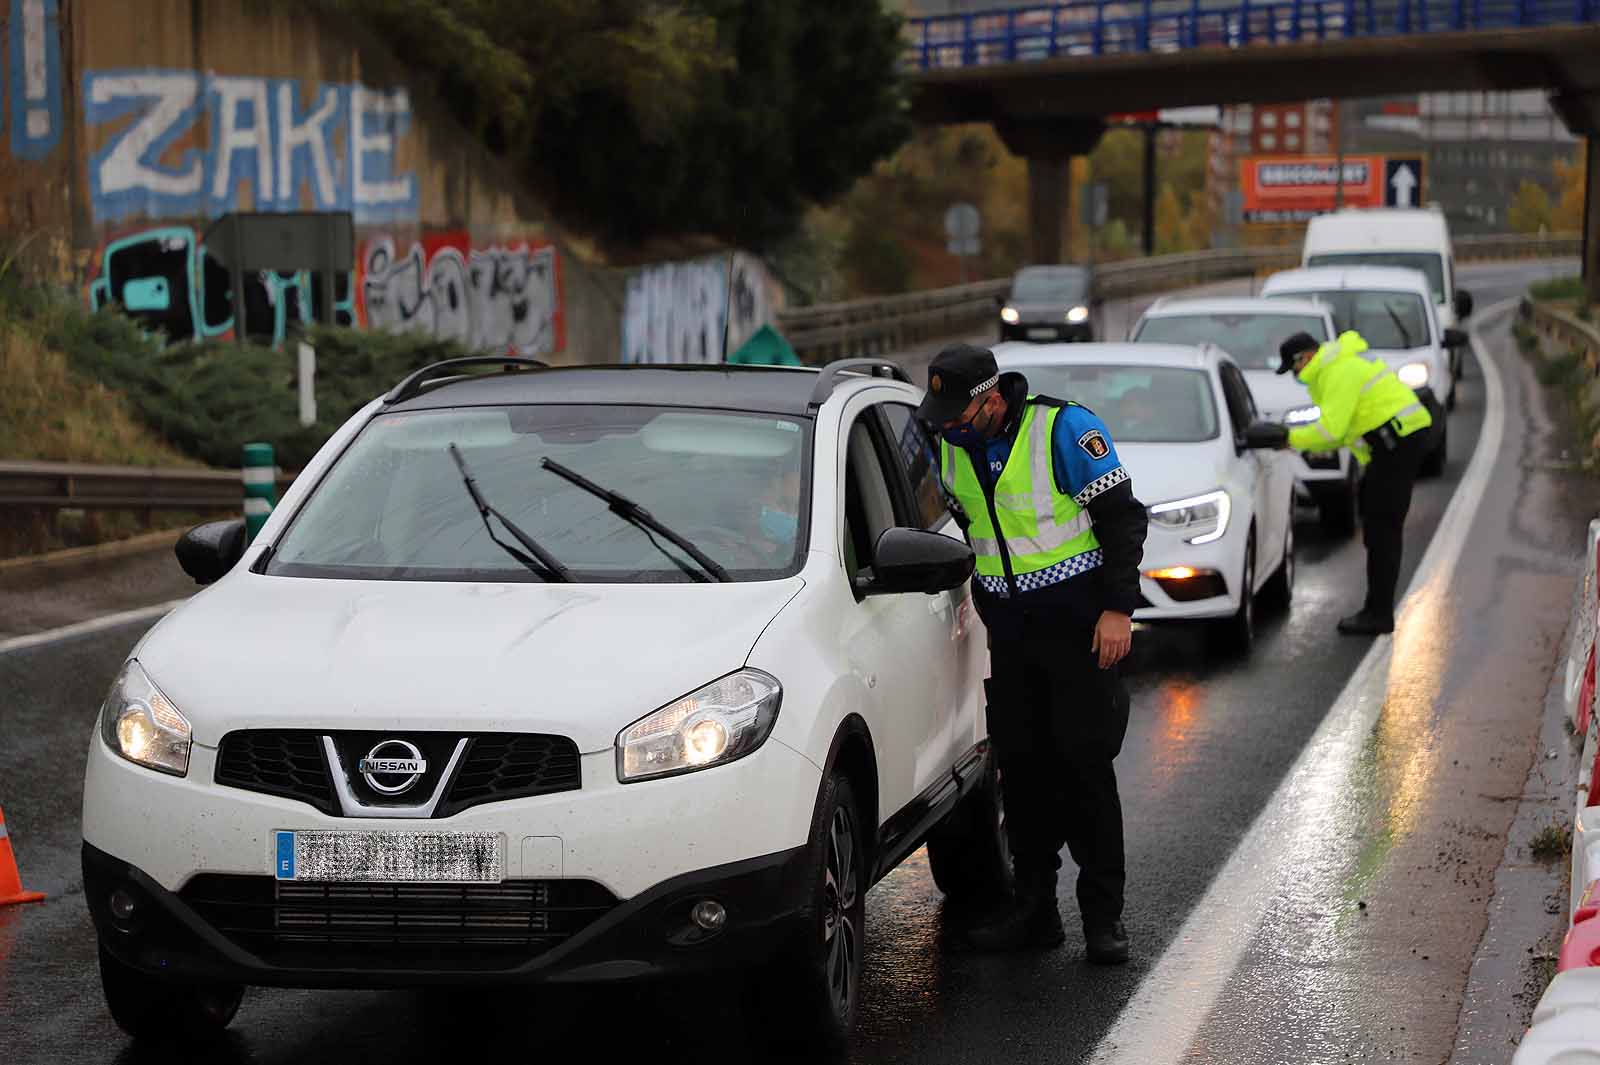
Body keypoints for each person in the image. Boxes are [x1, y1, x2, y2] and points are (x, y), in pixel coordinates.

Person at [916, 342, 1148, 963]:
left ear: (992, 400)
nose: (949, 428)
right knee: (1022, 781)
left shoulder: (1064, 428)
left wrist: (1118, 608)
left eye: (959, 416)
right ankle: (1037, 913)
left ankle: (1104, 921)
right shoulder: (949, 443)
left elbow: (1123, 521)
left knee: (1085, 775)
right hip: (1012, 640)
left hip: (1080, 634)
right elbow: (970, 528)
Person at [1276, 330, 1433, 635]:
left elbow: (1331, 432)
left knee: (1382, 531)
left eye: (1293, 368)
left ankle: (1379, 614)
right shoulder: (1337, 366)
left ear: (1304, 357)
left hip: (1397, 445)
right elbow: (1343, 432)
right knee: (1378, 529)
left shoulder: (1337, 371)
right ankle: (1376, 609)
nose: (1295, 376)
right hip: (1394, 446)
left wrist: (1287, 437)